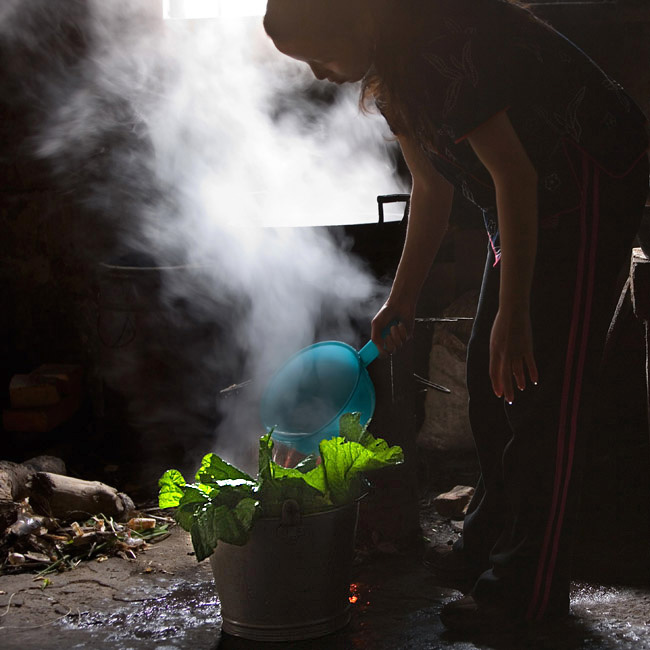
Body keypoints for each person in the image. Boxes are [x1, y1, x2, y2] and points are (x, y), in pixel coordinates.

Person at [263, 0, 649, 630]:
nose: (318, 75)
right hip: (522, 202)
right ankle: (488, 545)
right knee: (488, 385)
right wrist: (403, 296)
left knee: (540, 397)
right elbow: (433, 187)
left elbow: (515, 175)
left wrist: (515, 312)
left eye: (317, 55)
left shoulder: (436, 52)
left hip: (584, 187)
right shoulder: (390, 74)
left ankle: (526, 595)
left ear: (352, 25)